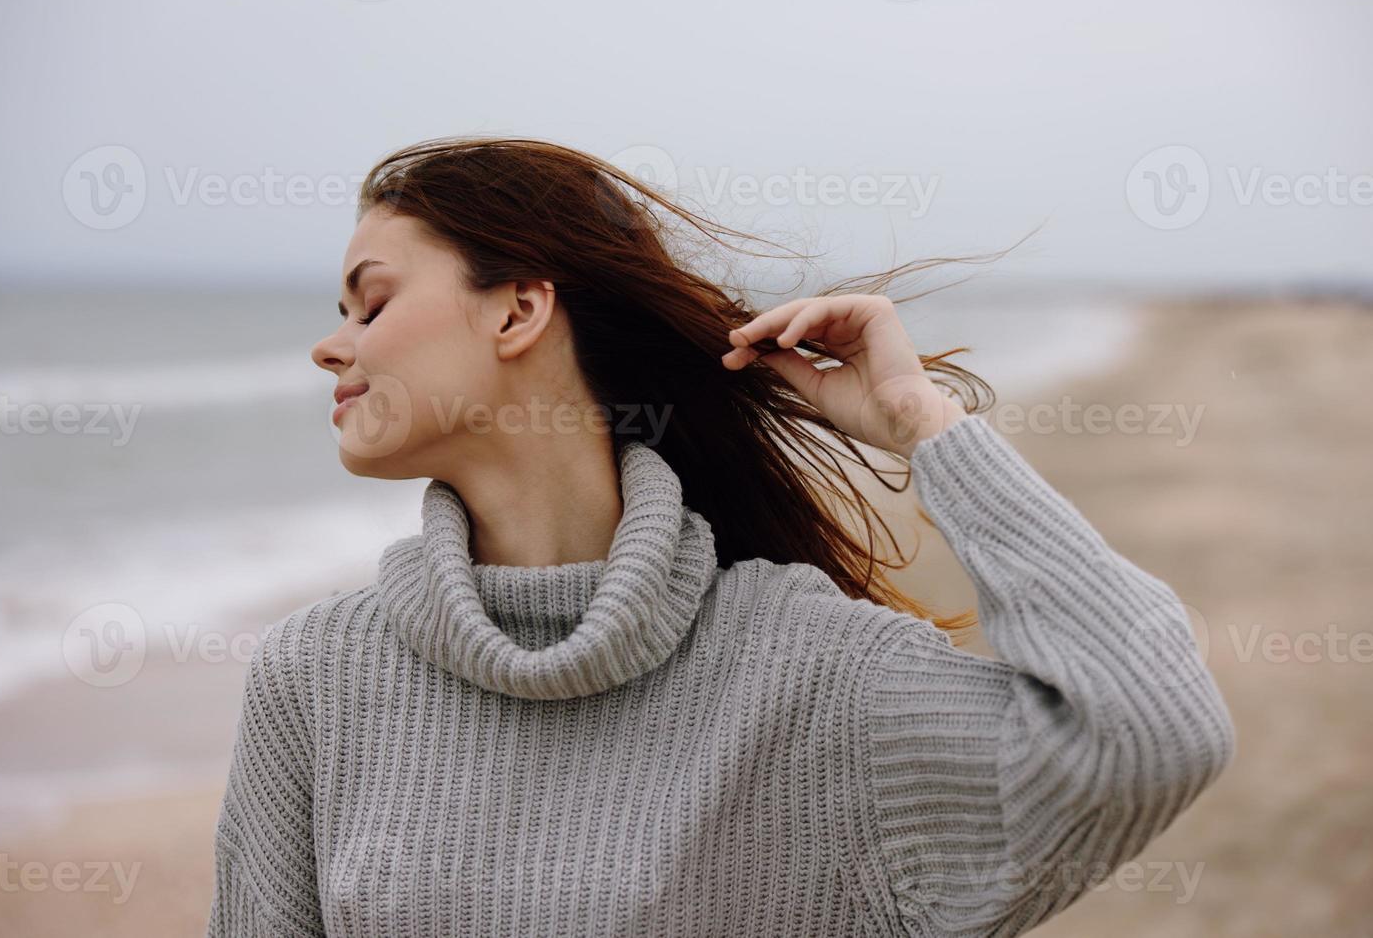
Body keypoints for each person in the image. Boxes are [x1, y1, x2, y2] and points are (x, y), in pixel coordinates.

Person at [205, 136, 1235, 937]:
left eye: (372, 301)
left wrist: (925, 426)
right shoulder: (318, 678)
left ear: (518, 308)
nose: (329, 343)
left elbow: (1146, 732)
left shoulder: (811, 676)